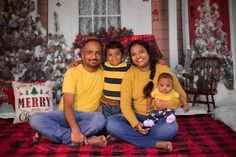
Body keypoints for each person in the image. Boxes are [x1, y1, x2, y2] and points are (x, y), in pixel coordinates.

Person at [106, 40, 187, 151]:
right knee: (111, 123)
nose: (138, 56)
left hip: (158, 118)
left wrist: (167, 104)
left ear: (148, 52)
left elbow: (182, 95)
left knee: (171, 129)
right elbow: (125, 105)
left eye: (141, 52)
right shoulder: (129, 73)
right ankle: (153, 143)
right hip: (137, 118)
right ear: (131, 58)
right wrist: (136, 125)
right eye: (134, 54)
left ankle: (126, 135)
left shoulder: (163, 69)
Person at [29, 39, 107, 147]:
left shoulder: (105, 72)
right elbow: (68, 104)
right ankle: (86, 141)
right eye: (89, 52)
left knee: (100, 119)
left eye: (98, 53)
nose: (94, 57)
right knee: (35, 119)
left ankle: (51, 136)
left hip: (86, 117)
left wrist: (80, 61)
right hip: (64, 115)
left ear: (102, 56)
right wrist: (75, 130)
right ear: (82, 55)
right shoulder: (73, 72)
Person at [100, 41, 130, 118]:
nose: (114, 57)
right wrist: (79, 61)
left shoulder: (127, 67)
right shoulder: (104, 65)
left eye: (117, 54)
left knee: (120, 123)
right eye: (110, 55)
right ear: (106, 57)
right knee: (107, 124)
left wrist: (156, 61)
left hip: (121, 105)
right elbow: (92, 63)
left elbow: (140, 65)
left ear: (122, 55)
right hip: (106, 104)